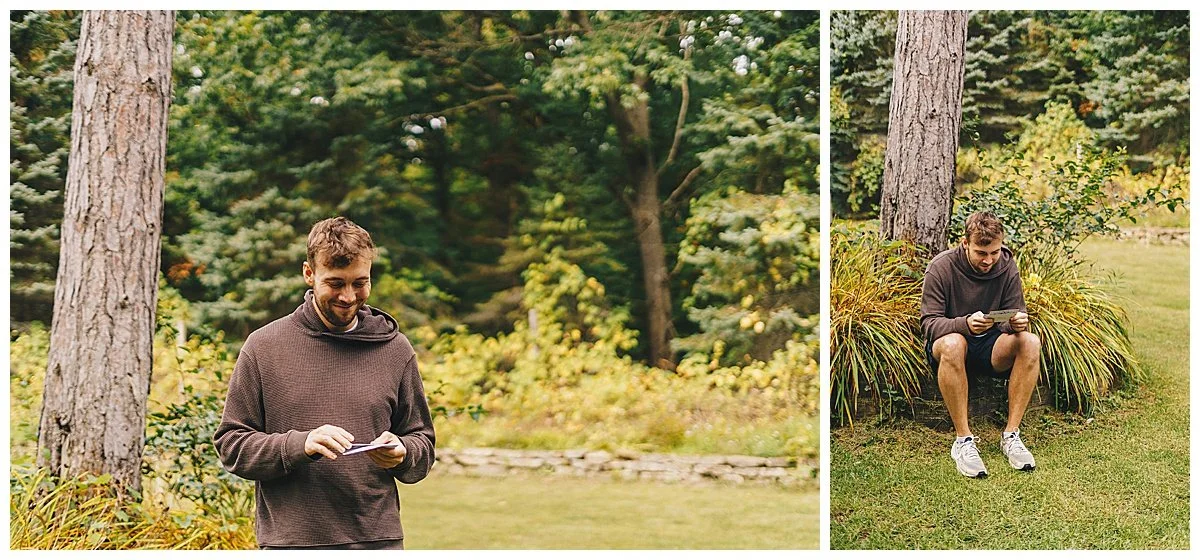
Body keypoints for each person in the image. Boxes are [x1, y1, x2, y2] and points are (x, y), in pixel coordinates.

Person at [214, 217, 435, 549]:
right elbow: (232, 445)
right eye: (335, 283)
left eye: (360, 283)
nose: (348, 296)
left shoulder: (395, 349)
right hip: (291, 544)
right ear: (309, 273)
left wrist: (403, 453)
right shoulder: (264, 347)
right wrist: (299, 445)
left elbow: (423, 444)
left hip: (377, 541)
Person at [920, 211, 1040, 478]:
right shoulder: (941, 267)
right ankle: (963, 440)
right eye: (981, 253)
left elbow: (1013, 313)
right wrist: (963, 324)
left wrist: (1017, 323)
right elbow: (928, 324)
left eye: (994, 253)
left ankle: (1011, 436)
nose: (989, 260)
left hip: (990, 344)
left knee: (1030, 342)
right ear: (965, 244)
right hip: (950, 344)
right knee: (953, 344)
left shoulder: (1006, 264)